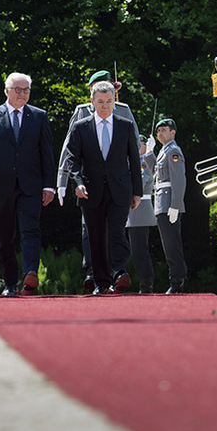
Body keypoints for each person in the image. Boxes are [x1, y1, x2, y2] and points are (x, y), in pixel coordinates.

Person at [56, 70, 141, 292]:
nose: (105, 106)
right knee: (95, 236)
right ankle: (101, 282)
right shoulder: (80, 125)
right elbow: (72, 157)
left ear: (115, 101)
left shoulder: (125, 124)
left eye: (109, 101)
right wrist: (74, 182)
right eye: (101, 101)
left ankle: (119, 271)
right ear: (92, 102)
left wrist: (137, 192)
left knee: (116, 231)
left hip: (120, 189)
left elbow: (134, 158)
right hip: (90, 190)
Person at [0, 72, 55, 296]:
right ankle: (10, 283)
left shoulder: (39, 116)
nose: (22, 94)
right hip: (0, 186)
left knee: (31, 230)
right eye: (17, 90)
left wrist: (49, 185)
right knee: (3, 234)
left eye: (26, 90)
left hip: (32, 185)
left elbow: (46, 153)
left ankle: (30, 275)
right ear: (6, 91)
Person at [153, 118, 188, 294]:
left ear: (173, 132)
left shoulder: (173, 150)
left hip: (168, 204)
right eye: (158, 131)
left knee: (172, 244)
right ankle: (175, 279)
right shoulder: (163, 151)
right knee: (168, 245)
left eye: (164, 130)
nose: (160, 133)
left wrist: (175, 205)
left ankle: (177, 280)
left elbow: (179, 180)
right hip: (161, 203)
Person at [127, 134, 158, 293]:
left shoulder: (143, 164)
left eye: (140, 145)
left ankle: (146, 285)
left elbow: (140, 182)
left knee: (140, 251)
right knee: (134, 251)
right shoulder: (132, 163)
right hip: (132, 212)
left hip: (140, 211)